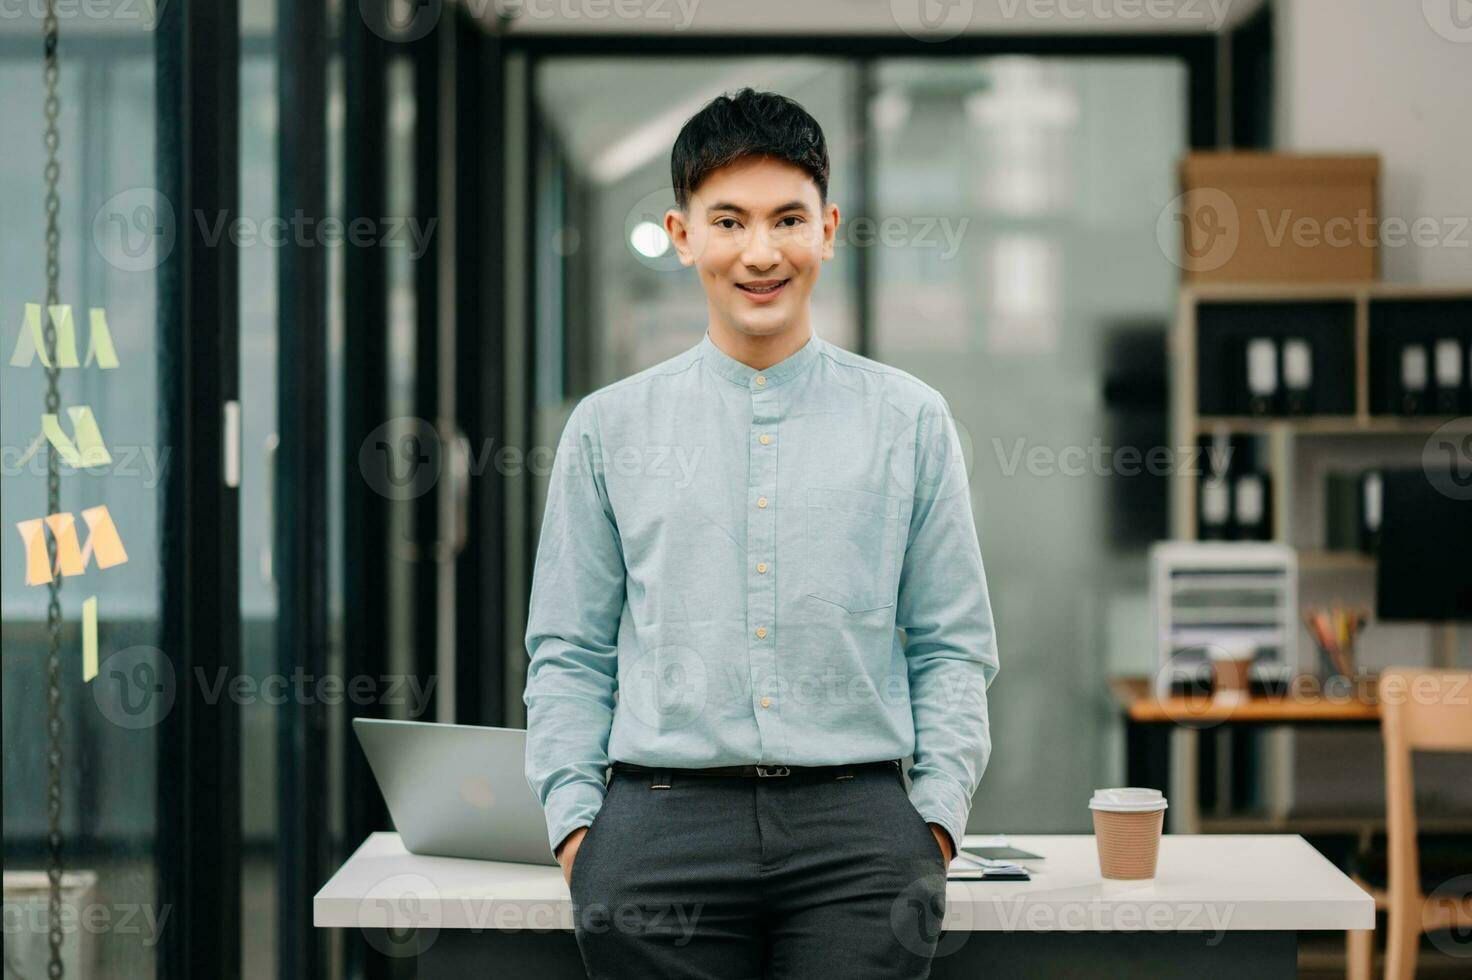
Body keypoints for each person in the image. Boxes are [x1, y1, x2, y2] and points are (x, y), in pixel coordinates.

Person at [523, 86, 999, 980]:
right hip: (656, 826)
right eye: (729, 220)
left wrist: (932, 822)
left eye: (787, 218)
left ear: (828, 229)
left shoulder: (910, 421)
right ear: (682, 233)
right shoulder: (608, 427)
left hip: (859, 830)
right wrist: (577, 830)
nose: (760, 252)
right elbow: (569, 651)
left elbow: (952, 646)